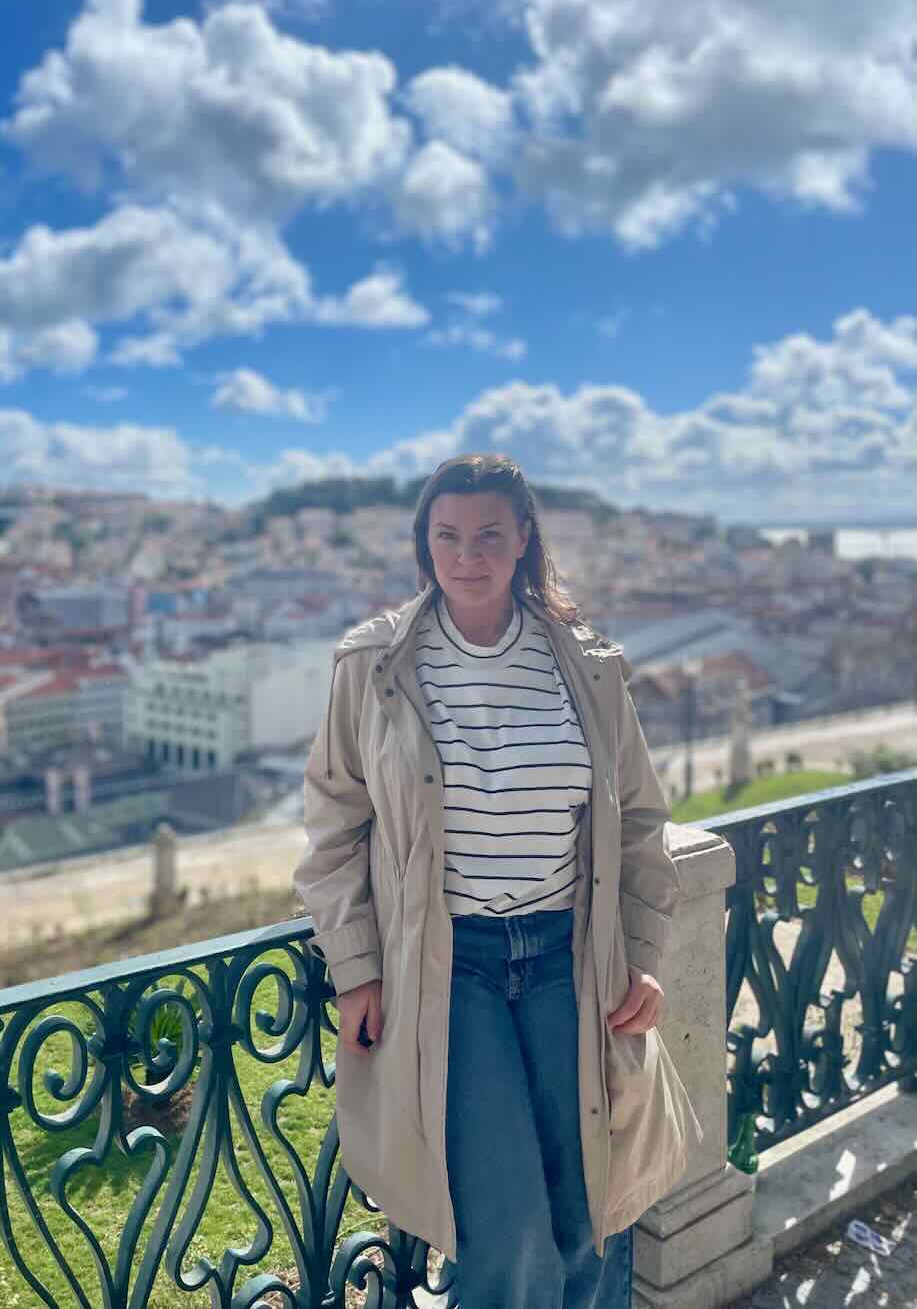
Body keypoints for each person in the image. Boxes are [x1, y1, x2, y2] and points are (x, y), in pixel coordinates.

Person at [294, 453, 702, 1309]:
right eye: (446, 535)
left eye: (487, 534)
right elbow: (334, 823)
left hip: (570, 959)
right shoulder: (373, 665)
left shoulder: (587, 665)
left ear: (522, 541)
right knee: (505, 1227)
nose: (465, 554)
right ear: (423, 545)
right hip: (450, 968)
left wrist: (647, 954)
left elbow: (636, 820)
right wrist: (356, 968)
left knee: (587, 1212)